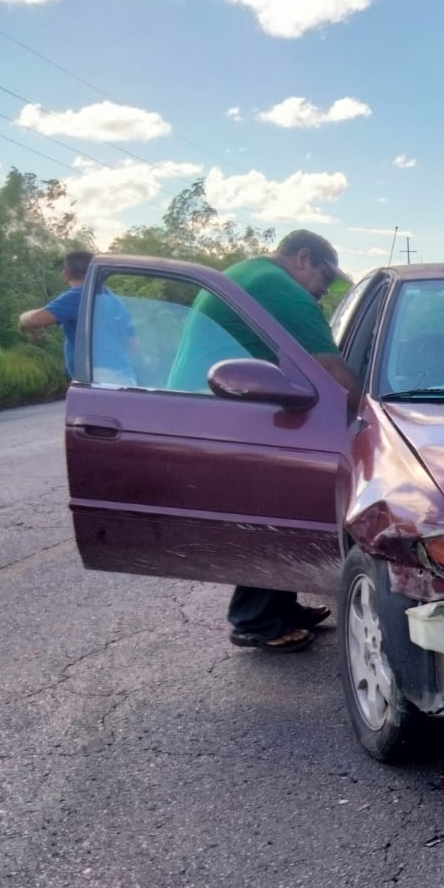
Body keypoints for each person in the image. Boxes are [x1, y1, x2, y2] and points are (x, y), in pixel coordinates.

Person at [171, 229, 361, 653]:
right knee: (270, 512)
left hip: (215, 407)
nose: (322, 293)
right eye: (324, 281)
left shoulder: (251, 273)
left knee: (282, 506)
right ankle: (254, 620)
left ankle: (280, 606)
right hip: (223, 412)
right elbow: (330, 369)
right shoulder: (282, 290)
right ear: (303, 259)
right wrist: (371, 411)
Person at [18, 250, 135, 381]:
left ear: (66, 274)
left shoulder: (79, 295)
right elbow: (133, 345)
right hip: (124, 377)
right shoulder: (116, 301)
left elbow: (35, 320)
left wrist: (22, 317)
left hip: (96, 377)